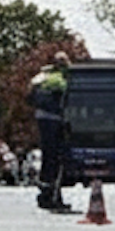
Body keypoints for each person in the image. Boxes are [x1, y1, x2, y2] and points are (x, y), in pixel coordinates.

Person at [27, 51, 70, 210]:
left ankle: (46, 194)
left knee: (48, 159)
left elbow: (29, 96)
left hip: (41, 120)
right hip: (55, 121)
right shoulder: (63, 78)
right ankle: (52, 196)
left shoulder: (42, 76)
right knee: (56, 160)